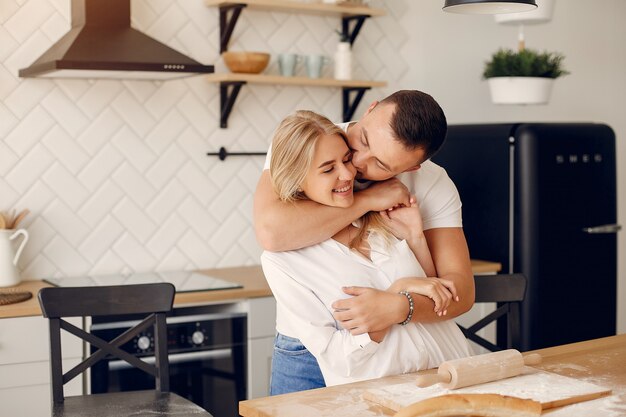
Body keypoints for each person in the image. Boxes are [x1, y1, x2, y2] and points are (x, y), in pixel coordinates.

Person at [261, 110, 472, 394]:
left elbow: (442, 292)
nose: (353, 169)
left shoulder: (384, 221)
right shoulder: (312, 139)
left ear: (409, 168)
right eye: (360, 143)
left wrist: (414, 240)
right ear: (370, 109)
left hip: (431, 372)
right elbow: (340, 356)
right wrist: (369, 198)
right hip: (361, 380)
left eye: (346, 160)